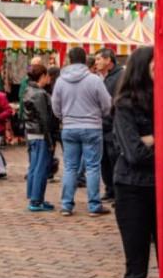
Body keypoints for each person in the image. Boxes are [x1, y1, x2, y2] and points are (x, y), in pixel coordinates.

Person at [110, 46, 156, 278]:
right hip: (132, 191)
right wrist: (161, 139)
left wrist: (153, 139)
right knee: (137, 267)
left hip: (162, 190)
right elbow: (135, 154)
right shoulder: (125, 106)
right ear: (142, 68)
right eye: (156, 65)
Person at [52, 47, 112, 217]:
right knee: (93, 167)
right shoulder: (94, 80)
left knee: (70, 167)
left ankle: (66, 205)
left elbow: (55, 106)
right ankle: (94, 205)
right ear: (86, 60)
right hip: (92, 126)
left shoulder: (61, 81)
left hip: (69, 127)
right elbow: (107, 104)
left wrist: (64, 117)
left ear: (69, 60)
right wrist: (98, 114)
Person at [22, 64, 56, 212]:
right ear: (42, 76)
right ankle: (36, 200)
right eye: (47, 75)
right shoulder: (39, 94)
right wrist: (50, 140)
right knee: (40, 168)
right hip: (40, 134)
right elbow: (45, 118)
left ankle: (35, 197)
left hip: (32, 133)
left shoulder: (28, 90)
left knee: (34, 167)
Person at [95, 49, 123, 203]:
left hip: (113, 125)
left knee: (113, 159)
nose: (96, 62)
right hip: (103, 125)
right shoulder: (104, 78)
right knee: (104, 160)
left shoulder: (119, 77)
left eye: (99, 59)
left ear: (108, 60)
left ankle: (116, 191)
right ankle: (110, 189)